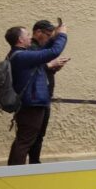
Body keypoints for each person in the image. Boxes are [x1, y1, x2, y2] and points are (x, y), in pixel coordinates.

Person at [4, 22, 69, 165]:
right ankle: (15, 172)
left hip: (31, 102)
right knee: (25, 140)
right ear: (20, 40)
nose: (30, 37)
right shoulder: (21, 56)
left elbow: (44, 50)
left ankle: (19, 169)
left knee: (27, 138)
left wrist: (54, 37)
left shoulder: (21, 54)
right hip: (31, 103)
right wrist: (63, 34)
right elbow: (53, 52)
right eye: (27, 35)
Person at [27, 19, 70, 163]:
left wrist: (52, 68)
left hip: (43, 97)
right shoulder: (30, 48)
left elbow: (40, 71)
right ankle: (16, 169)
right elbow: (31, 72)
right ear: (38, 32)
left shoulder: (38, 49)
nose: (49, 39)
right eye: (48, 35)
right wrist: (62, 36)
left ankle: (34, 163)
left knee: (39, 135)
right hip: (32, 99)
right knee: (26, 138)